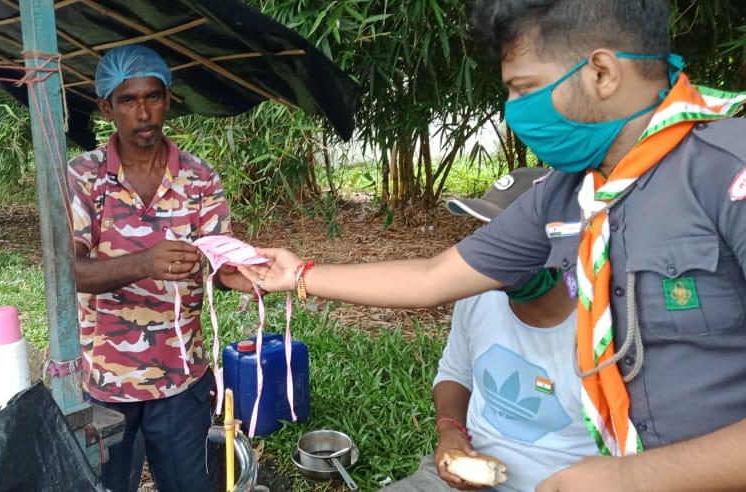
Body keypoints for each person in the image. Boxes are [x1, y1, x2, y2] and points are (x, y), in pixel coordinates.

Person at [241, 1, 746, 490]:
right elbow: (432, 277)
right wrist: (299, 274)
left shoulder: (727, 175)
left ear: (602, 73)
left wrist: (632, 479)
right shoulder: (565, 196)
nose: (513, 113)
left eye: (525, 89)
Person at [67, 45, 249, 492]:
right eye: (128, 101)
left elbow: (220, 267)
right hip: (106, 382)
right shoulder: (82, 178)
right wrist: (146, 262)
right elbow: (70, 272)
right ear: (106, 107)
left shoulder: (199, 177)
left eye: (152, 97)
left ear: (168, 99)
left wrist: (249, 274)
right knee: (104, 486)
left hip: (181, 379)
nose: (143, 112)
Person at [388, 167, 597, 492]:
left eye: (514, 240)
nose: (494, 255)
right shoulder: (477, 296)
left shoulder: (602, 330)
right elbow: (454, 374)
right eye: (489, 234)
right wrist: (451, 430)